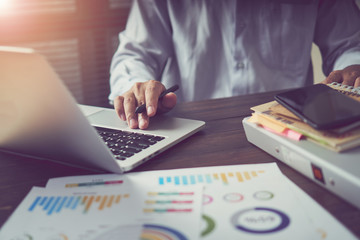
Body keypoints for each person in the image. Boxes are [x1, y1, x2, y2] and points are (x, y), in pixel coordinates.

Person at [109, 0, 360, 130]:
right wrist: (136, 86)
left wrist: (353, 67)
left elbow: (349, 44)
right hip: (189, 130)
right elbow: (135, 53)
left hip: (290, 132)